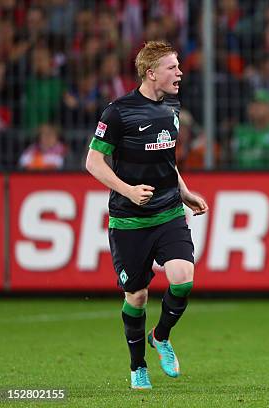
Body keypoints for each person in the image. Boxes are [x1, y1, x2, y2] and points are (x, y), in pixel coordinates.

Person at [85, 41, 208, 390]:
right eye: (172, 67)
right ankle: (138, 366)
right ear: (151, 73)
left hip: (168, 212)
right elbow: (93, 162)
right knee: (137, 297)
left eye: (179, 66)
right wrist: (127, 190)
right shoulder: (118, 112)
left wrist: (185, 193)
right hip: (129, 220)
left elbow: (167, 162)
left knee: (183, 278)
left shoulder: (173, 106)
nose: (180, 73)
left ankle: (161, 336)